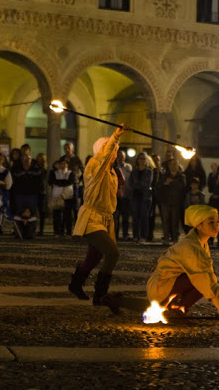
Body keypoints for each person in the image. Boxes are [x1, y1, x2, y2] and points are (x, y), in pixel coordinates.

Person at [100, 205, 219, 322]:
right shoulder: (191, 247)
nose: (216, 226)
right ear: (199, 225)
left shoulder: (200, 242)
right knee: (199, 280)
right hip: (162, 284)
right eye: (211, 222)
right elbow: (206, 279)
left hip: (169, 282)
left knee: (161, 304)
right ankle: (175, 309)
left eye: (217, 222)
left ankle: (176, 309)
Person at [68, 124, 131, 306]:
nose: (115, 154)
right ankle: (100, 295)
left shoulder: (111, 170)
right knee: (112, 253)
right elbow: (104, 156)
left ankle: (76, 283)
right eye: (113, 150)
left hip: (105, 218)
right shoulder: (95, 165)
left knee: (94, 257)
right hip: (92, 217)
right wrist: (116, 136)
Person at [157, 157, 185, 245]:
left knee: (175, 221)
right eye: (172, 164)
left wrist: (171, 182)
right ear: (168, 166)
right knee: (165, 221)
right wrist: (164, 184)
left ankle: (175, 238)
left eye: (175, 164)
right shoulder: (164, 176)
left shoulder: (181, 176)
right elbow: (158, 186)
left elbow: (183, 186)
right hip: (165, 201)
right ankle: (166, 238)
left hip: (176, 202)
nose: (173, 166)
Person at [128, 152, 153, 243]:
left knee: (143, 217)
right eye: (140, 158)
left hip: (144, 197)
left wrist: (137, 184)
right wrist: (137, 185)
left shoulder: (149, 172)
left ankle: (143, 236)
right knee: (135, 217)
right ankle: (135, 235)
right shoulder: (134, 172)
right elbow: (130, 183)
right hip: (135, 196)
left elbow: (147, 183)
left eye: (143, 159)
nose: (142, 161)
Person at [49, 157, 74, 237]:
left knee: (67, 216)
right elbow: (51, 181)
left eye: (65, 163)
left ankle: (69, 232)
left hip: (67, 196)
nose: (63, 165)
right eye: (61, 163)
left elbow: (70, 181)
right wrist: (64, 182)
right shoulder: (54, 173)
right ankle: (57, 232)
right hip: (56, 196)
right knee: (56, 215)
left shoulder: (70, 173)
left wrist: (58, 182)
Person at [113, 150, 132, 240]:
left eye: (122, 156)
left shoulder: (128, 167)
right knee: (115, 216)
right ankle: (114, 234)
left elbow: (126, 180)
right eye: (119, 155)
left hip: (126, 194)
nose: (120, 157)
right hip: (116, 195)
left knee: (125, 217)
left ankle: (125, 234)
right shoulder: (113, 167)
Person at [35, 153, 48, 236]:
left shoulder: (45, 169)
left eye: (42, 158)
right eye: (39, 158)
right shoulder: (35, 168)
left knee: (42, 212)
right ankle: (34, 228)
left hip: (42, 191)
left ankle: (41, 229)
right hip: (35, 191)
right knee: (34, 211)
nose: (40, 160)